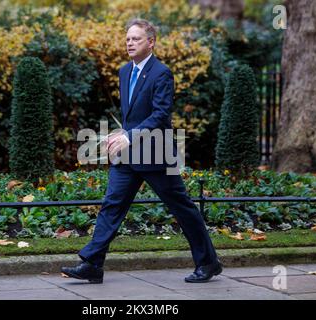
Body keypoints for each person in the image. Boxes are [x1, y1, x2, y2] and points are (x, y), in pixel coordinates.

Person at [61, 19, 222, 284]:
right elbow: (133, 116)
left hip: (156, 153)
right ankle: (92, 264)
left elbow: (160, 116)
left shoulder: (161, 73)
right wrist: (120, 133)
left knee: (182, 208)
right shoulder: (125, 71)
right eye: (127, 39)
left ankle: (208, 262)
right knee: (111, 205)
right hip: (128, 155)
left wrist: (131, 135)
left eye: (136, 39)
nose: (129, 43)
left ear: (151, 42)